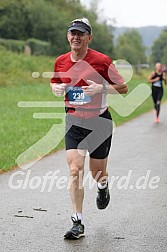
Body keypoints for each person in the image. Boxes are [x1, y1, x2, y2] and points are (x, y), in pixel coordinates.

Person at [50, 17, 128, 239]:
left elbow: (123, 87)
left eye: (81, 33)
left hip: (99, 122)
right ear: (68, 36)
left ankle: (103, 185)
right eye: (72, 33)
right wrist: (56, 89)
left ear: (89, 38)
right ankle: (78, 223)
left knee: (97, 173)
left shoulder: (102, 61)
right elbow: (55, 82)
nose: (76, 37)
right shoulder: (61, 61)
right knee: (75, 170)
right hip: (74, 121)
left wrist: (101, 88)